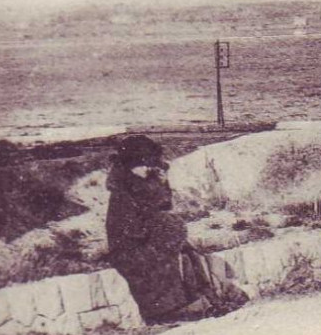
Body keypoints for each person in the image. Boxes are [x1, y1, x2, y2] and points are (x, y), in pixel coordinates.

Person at [103, 134, 244, 323]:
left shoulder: (145, 184)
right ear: (129, 166)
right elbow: (130, 230)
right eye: (141, 164)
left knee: (190, 255)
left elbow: (164, 207)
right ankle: (167, 312)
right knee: (165, 262)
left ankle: (208, 301)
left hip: (151, 241)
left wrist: (162, 185)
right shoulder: (121, 194)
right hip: (131, 249)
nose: (147, 168)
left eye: (149, 163)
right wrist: (160, 231)